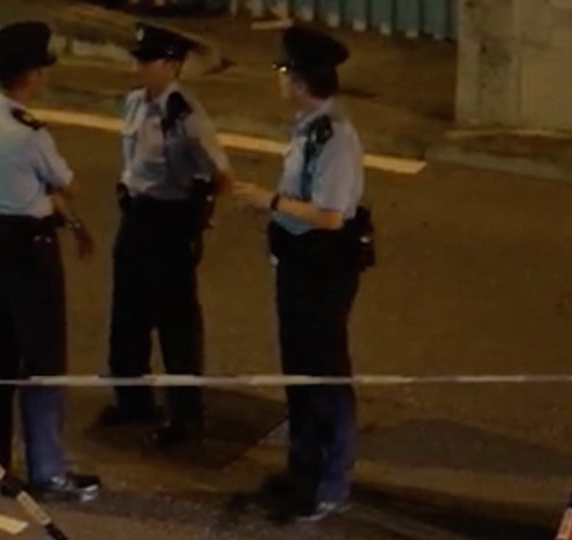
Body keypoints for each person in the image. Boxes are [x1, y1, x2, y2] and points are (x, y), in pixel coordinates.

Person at [232, 26, 374, 522]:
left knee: (324, 373)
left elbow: (332, 214)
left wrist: (269, 201)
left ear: (298, 79)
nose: (279, 80)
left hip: (322, 267)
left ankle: (328, 486)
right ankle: (301, 470)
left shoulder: (335, 137)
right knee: (299, 372)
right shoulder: (308, 127)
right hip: (297, 261)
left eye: (283, 71)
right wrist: (274, 209)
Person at [0, 21, 100, 502]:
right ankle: (47, 470)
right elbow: (66, 182)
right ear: (31, 76)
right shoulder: (29, 133)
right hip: (28, 251)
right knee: (42, 362)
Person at [98, 23, 233, 447]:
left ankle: (185, 415)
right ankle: (132, 400)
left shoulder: (188, 117)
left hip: (169, 221)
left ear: (172, 65)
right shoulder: (135, 103)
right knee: (127, 315)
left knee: (176, 324)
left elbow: (221, 174)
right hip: (136, 214)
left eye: (146, 60)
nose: (136, 66)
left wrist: (197, 213)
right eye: (136, 58)